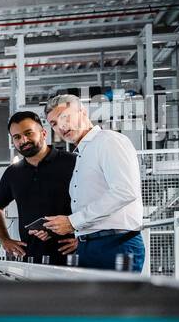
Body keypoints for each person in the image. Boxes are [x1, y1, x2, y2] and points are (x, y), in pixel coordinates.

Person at [36, 93, 146, 272]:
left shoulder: (108, 141)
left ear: (83, 112)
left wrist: (73, 222)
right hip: (88, 246)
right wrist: (57, 227)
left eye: (65, 117)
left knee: (117, 301)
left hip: (115, 245)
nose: (61, 126)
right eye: (54, 123)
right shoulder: (82, 154)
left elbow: (125, 191)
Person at [0, 111, 78, 264]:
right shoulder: (13, 173)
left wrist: (84, 238)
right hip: (32, 259)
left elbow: (99, 202)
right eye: (17, 137)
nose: (23, 140)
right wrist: (5, 240)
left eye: (28, 133)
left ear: (43, 133)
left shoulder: (73, 162)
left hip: (73, 256)